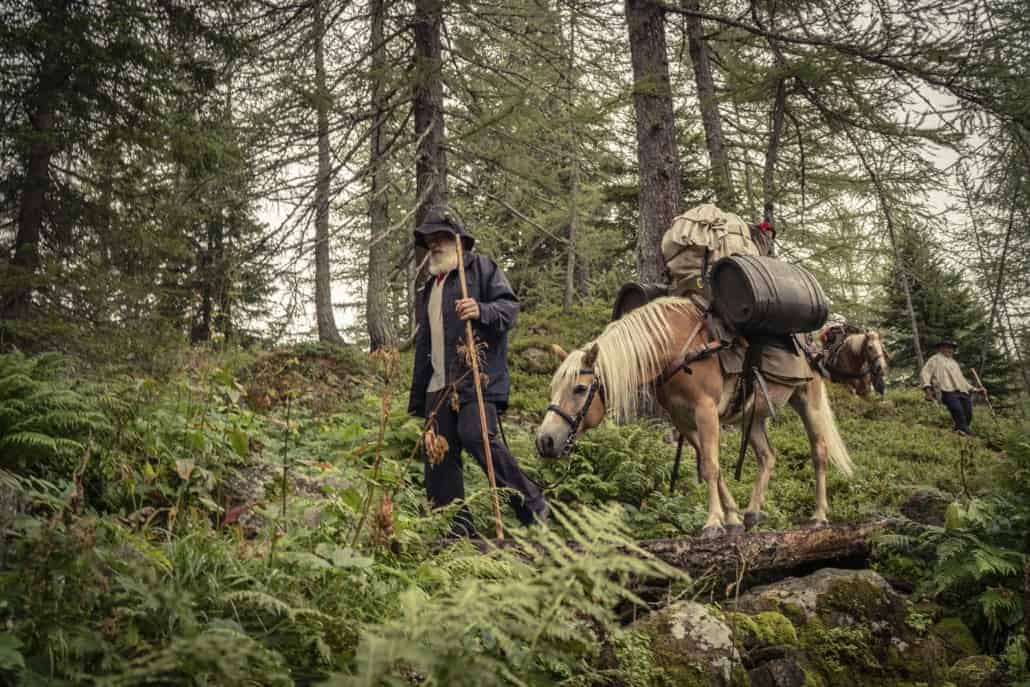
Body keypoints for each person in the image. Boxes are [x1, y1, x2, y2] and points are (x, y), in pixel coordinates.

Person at [407, 206, 549, 535]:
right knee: (437, 458)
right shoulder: (431, 287)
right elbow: (427, 344)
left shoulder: (481, 269)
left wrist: (481, 310)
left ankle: (532, 504)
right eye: (430, 240)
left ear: (460, 243)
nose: (435, 245)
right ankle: (456, 532)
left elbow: (509, 309)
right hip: (437, 386)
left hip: (474, 378)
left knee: (477, 437)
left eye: (442, 238)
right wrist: (420, 393)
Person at [920, 339, 984, 436]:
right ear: (941, 348)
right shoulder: (935, 359)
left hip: (962, 391)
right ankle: (966, 432)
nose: (951, 350)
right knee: (957, 410)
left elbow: (961, 380)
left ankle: (958, 432)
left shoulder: (954, 363)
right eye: (948, 347)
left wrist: (976, 390)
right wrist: (927, 388)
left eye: (952, 348)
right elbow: (925, 372)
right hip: (946, 390)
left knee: (968, 413)